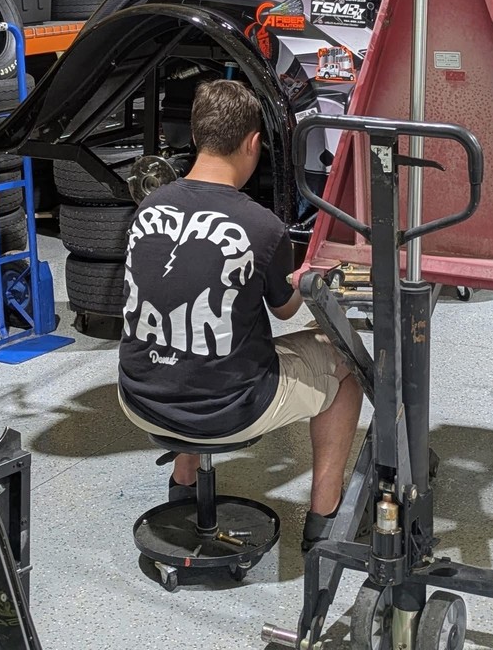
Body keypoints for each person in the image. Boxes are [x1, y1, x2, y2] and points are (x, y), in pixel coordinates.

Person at [118, 78, 362, 550]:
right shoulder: (260, 225)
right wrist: (306, 278)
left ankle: (184, 480)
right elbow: (288, 310)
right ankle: (324, 520)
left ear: (196, 136)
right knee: (344, 362)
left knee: (189, 344)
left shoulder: (148, 205)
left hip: (139, 397)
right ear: (253, 143)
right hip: (225, 410)